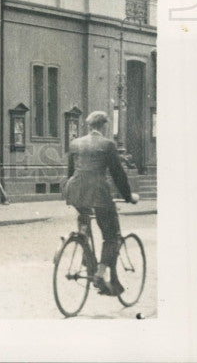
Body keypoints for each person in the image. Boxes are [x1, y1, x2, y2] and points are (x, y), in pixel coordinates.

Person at [65, 110, 140, 296]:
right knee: (110, 236)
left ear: (89, 125)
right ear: (104, 126)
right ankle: (99, 273)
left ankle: (86, 255)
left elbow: (70, 171)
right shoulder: (108, 144)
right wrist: (129, 196)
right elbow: (118, 174)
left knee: (84, 224)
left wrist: (72, 194)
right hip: (99, 193)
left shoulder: (75, 143)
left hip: (74, 191)